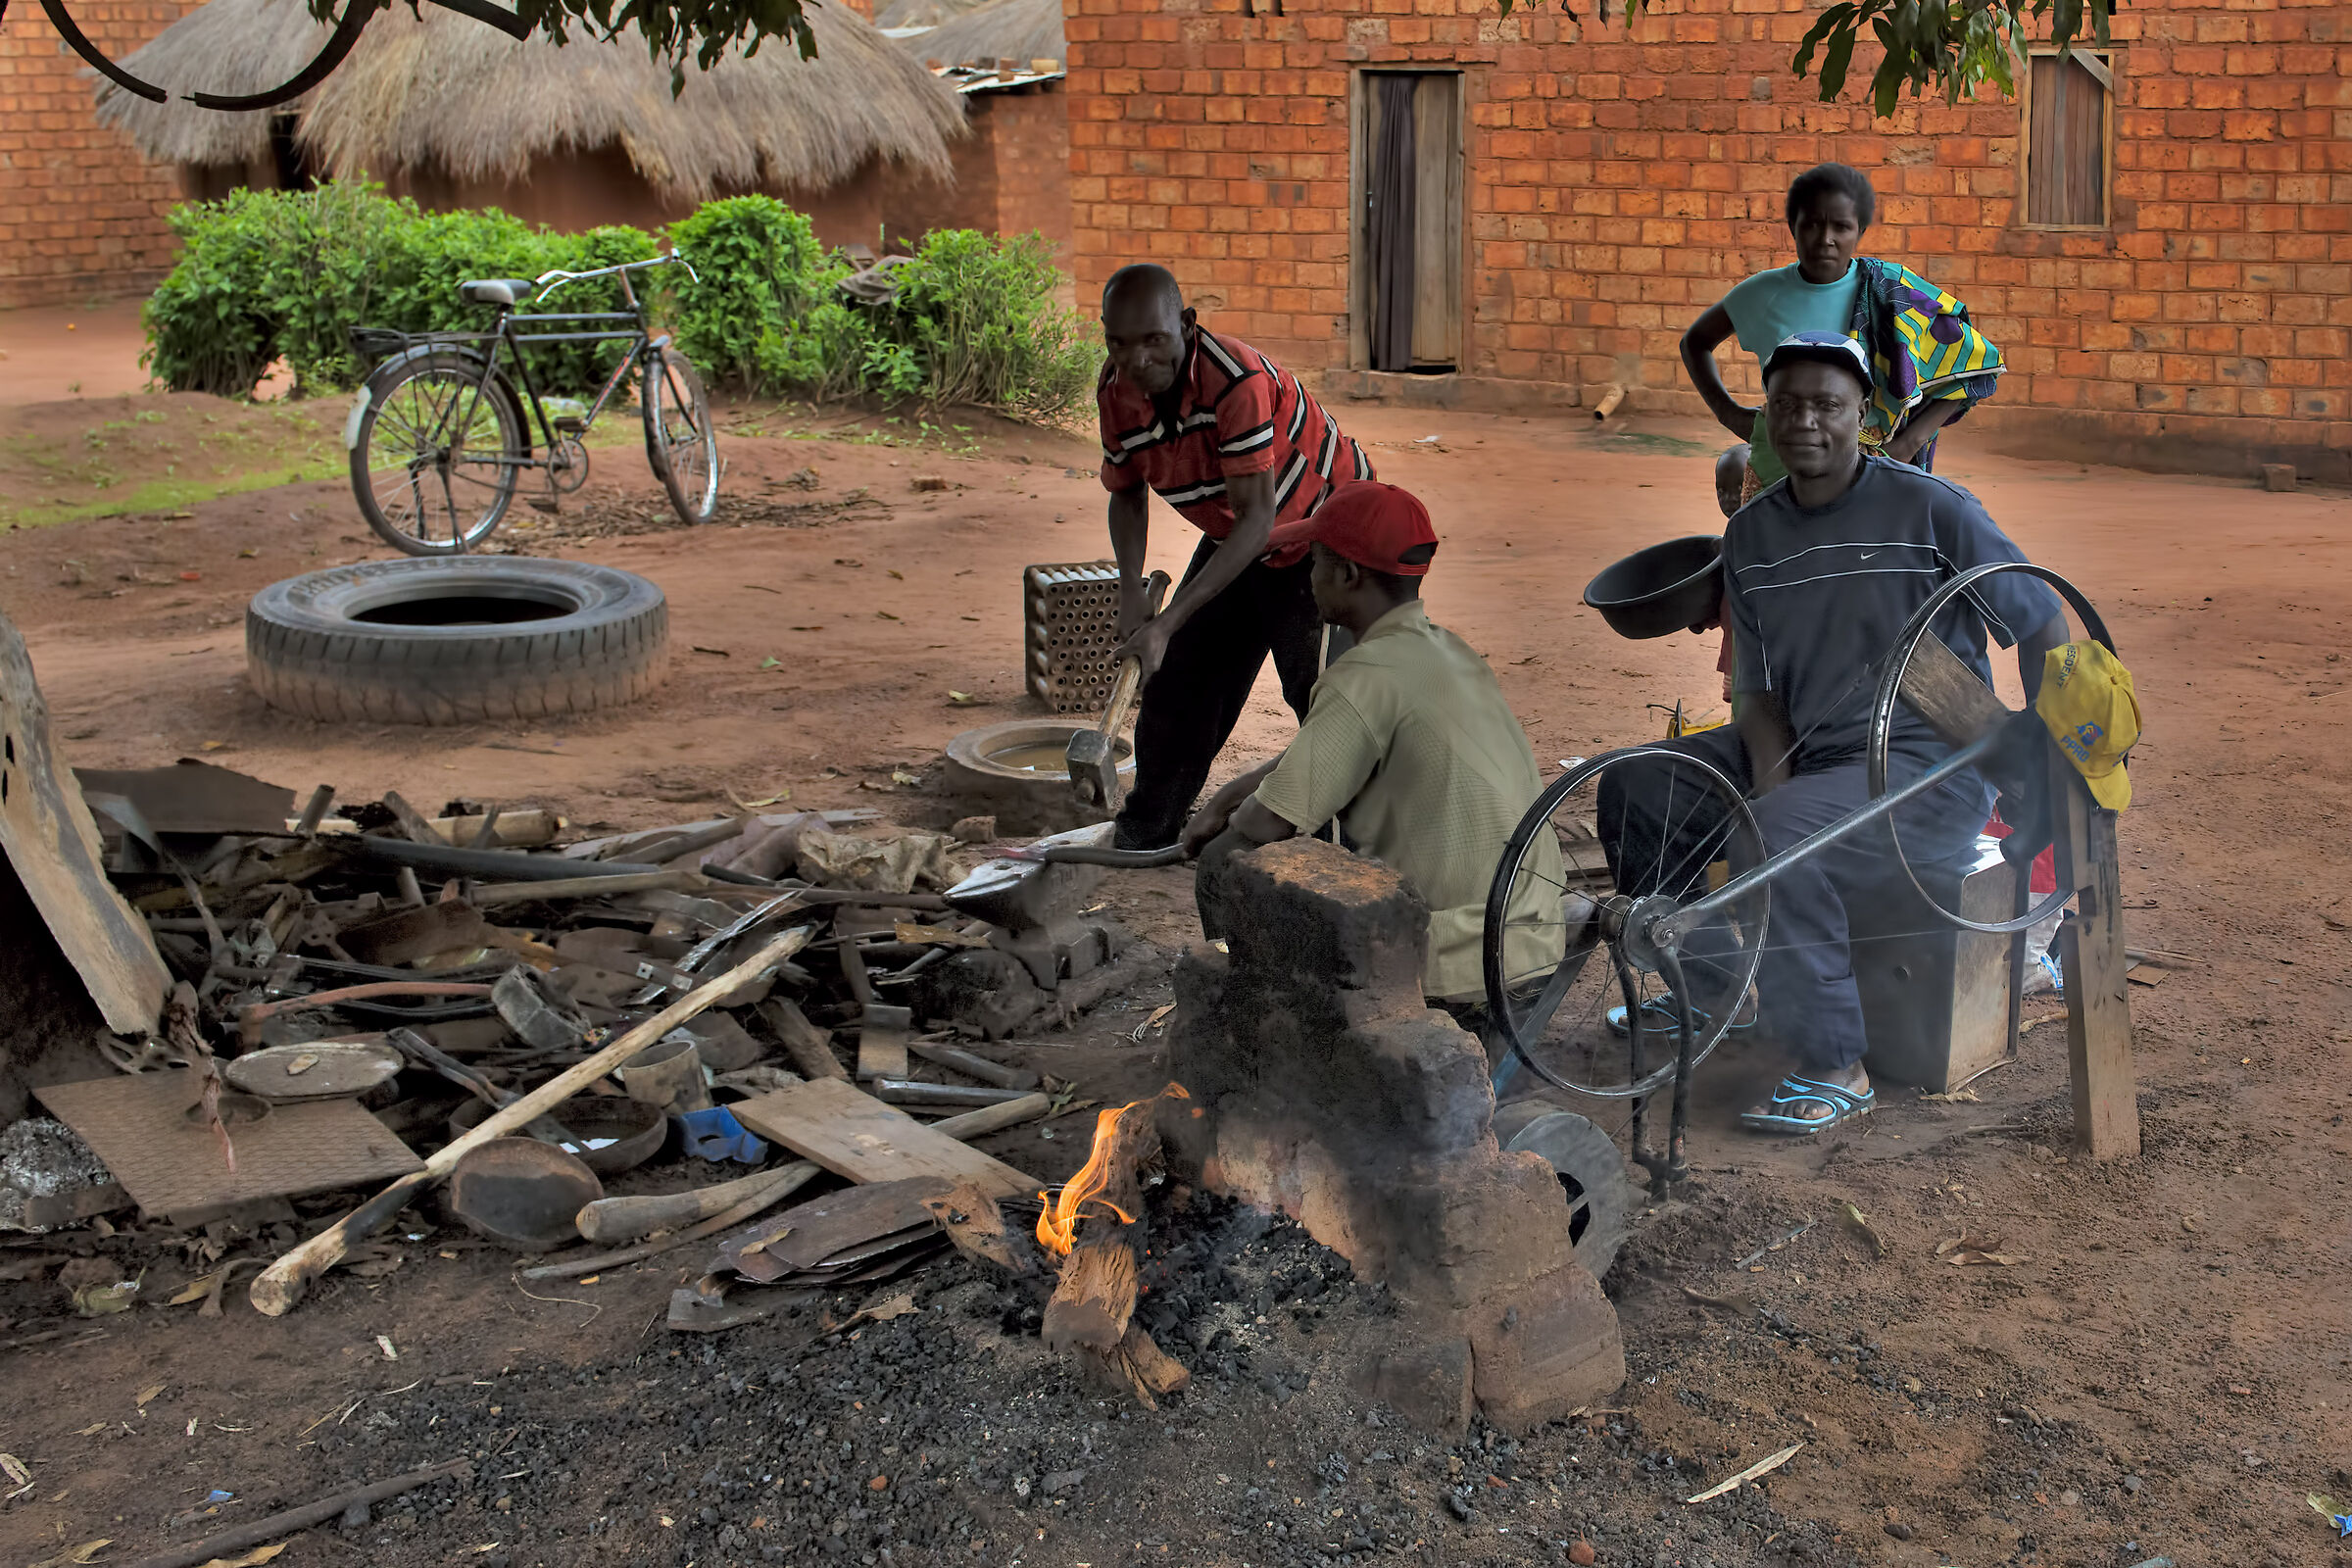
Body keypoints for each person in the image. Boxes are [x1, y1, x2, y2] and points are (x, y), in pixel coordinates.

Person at [1599, 331, 2068, 1134]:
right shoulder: (1752, 535)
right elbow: (1754, 694)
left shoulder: (1931, 509)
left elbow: (2042, 618)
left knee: (1779, 837)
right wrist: (1778, 788)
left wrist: (2043, 743)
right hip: (1806, 753)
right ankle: (1711, 991)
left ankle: (1833, 1062)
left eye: (1828, 405)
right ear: (1766, 415)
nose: (1805, 421)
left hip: (1926, 768)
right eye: (1786, 404)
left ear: (1865, 418)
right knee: (1639, 785)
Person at [1180, 480, 1563, 1026]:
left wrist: (1226, 821)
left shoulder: (1362, 677)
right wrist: (1225, 795)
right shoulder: (1447, 649)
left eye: (1313, 563)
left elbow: (1266, 825)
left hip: (1459, 962)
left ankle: (1257, 1037)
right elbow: (1331, 749)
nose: (1308, 579)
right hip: (1532, 934)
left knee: (1226, 862)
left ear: (1346, 574)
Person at [1095, 264, 1375, 851]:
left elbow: (1259, 520)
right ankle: (1147, 830)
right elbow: (1126, 492)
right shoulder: (1116, 393)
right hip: (1241, 530)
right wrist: (1129, 595)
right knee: (1183, 680)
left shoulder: (1233, 381)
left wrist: (1166, 622)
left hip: (1320, 529)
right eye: (1119, 343)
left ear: (1186, 326)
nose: (1137, 359)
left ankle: (1349, 847)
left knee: (1324, 697)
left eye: (1153, 339)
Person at [1680, 163, 2004, 504]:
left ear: (1860, 231)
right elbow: (1695, 342)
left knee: (1857, 554)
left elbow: (1977, 365)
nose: (1826, 239)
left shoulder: (1893, 293)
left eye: (1841, 226)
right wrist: (1727, 412)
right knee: (1771, 548)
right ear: (1793, 227)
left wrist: (1909, 442)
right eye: (1812, 225)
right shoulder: (1762, 294)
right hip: (1780, 457)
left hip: (1869, 466)